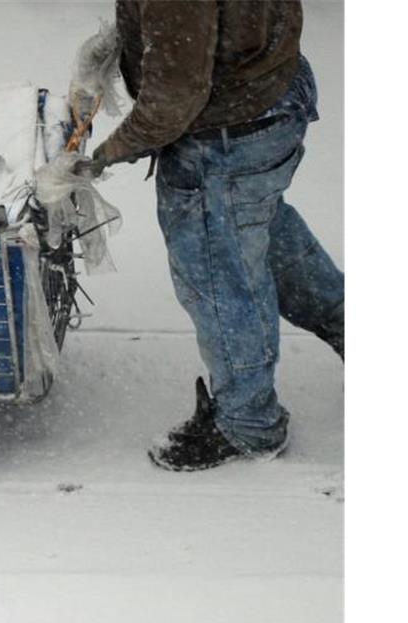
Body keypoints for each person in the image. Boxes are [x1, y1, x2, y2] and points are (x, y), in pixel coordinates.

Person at [74, 0, 344, 472]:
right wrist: (128, 40)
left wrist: (104, 155)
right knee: (251, 232)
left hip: (225, 136)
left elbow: (174, 98)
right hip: (270, 97)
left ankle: (248, 424)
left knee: (220, 278)